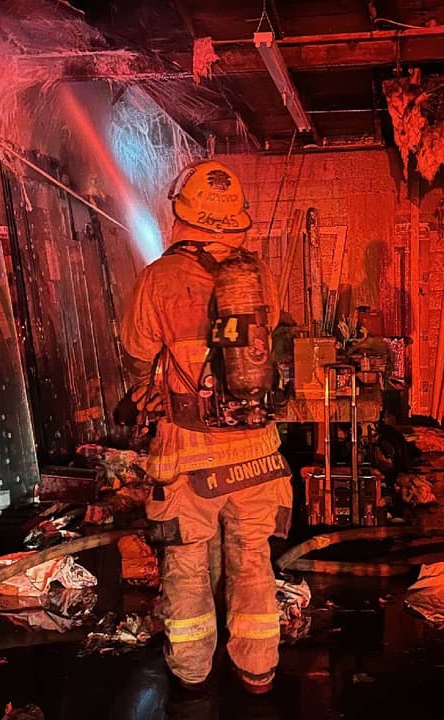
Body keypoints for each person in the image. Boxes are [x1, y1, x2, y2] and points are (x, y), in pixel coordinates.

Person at [97, 160, 292, 696]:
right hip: (258, 451)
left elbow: (138, 361)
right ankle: (258, 670)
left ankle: (192, 674)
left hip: (189, 457)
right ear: (236, 219)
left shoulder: (158, 279)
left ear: (181, 213)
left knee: (186, 565)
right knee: (254, 559)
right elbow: (265, 343)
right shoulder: (259, 276)